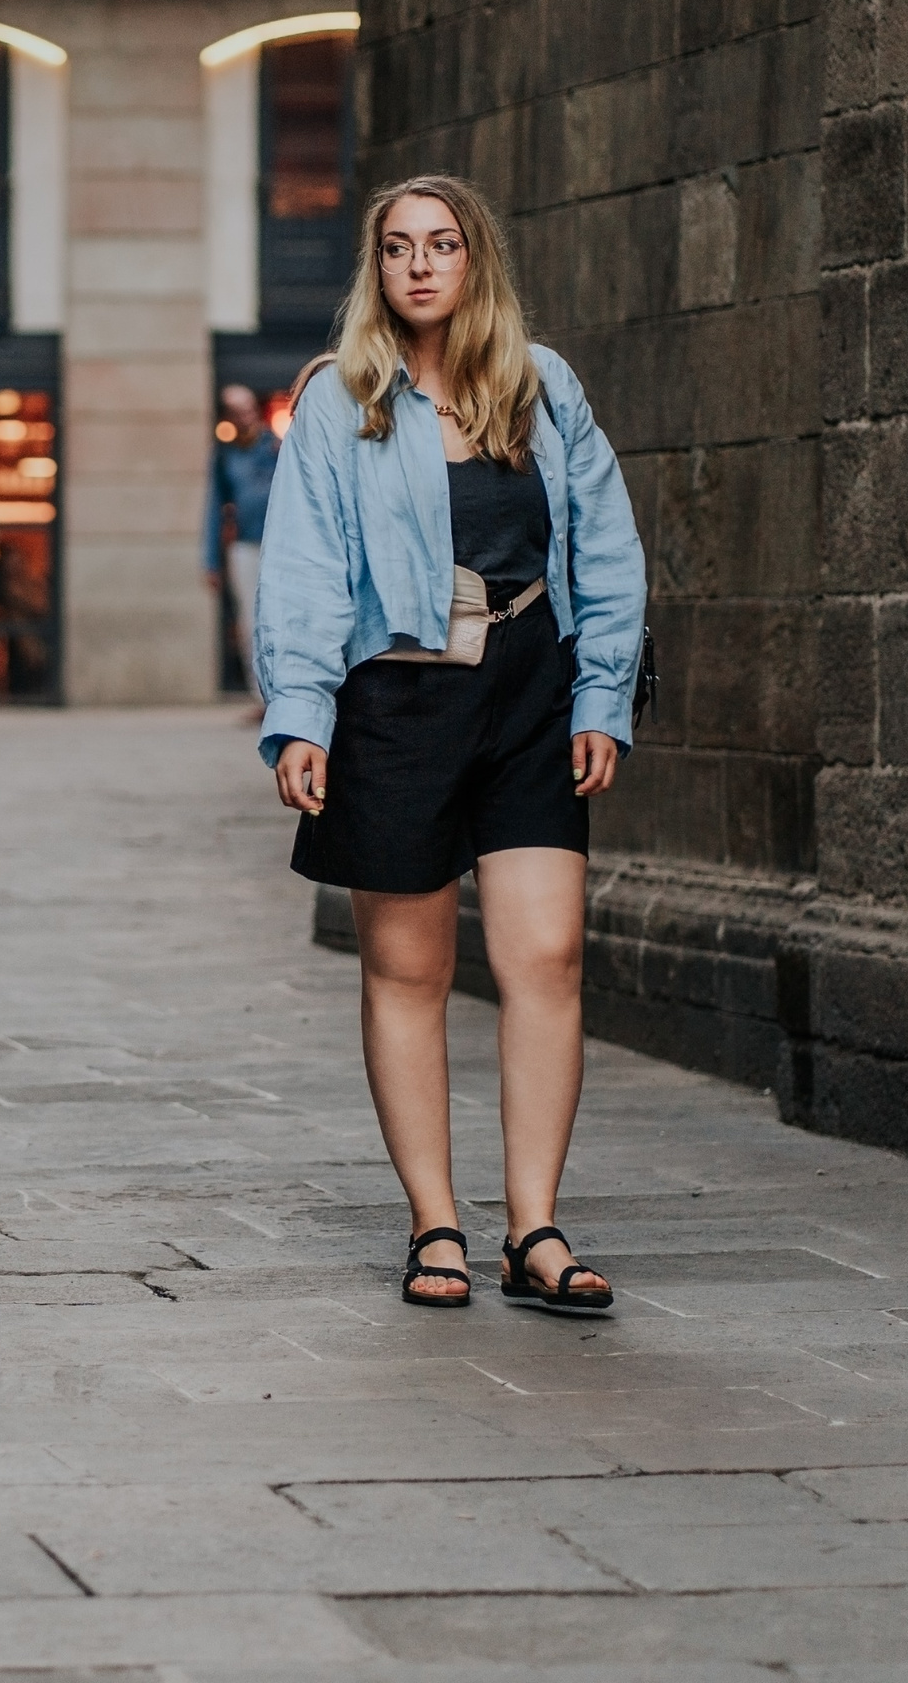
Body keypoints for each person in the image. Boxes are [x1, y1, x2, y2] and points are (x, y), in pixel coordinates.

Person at [254, 175, 646, 1317]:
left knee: (547, 957)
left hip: (530, 688)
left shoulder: (542, 385)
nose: (419, 265)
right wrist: (299, 715)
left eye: (440, 245)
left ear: (475, 260)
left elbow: (607, 547)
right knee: (409, 969)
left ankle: (534, 1226)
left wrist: (600, 699)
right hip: (396, 701)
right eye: (395, 248)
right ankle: (436, 1223)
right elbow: (305, 567)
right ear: (376, 270)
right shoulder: (341, 400)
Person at [205, 381, 281, 725]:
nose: (245, 416)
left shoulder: (277, 446)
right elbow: (212, 510)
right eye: (237, 411)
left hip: (281, 545)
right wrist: (210, 561)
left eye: (249, 408)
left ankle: (286, 694)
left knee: (281, 619)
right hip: (244, 547)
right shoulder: (224, 456)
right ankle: (262, 696)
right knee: (250, 622)